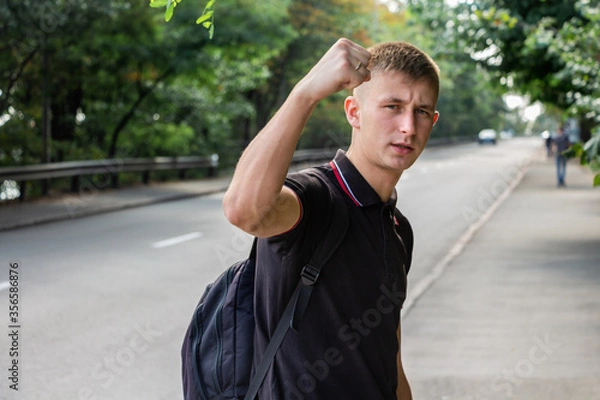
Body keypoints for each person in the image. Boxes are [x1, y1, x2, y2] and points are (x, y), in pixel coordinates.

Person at [223, 38, 440, 400]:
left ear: (432, 121)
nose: (408, 127)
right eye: (392, 106)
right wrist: (305, 93)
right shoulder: (315, 197)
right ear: (354, 112)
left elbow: (390, 355)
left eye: (421, 111)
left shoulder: (399, 229)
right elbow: (244, 211)